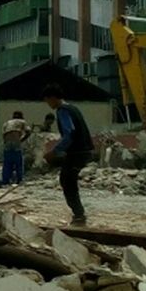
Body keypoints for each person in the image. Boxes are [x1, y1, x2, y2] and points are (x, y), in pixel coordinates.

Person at [43, 83, 95, 226]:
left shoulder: (63, 111)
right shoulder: (73, 108)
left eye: (47, 100)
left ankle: (79, 216)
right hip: (84, 150)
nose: (47, 104)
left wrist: (54, 151)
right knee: (68, 179)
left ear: (52, 98)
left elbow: (69, 134)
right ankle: (78, 214)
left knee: (67, 181)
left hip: (77, 151)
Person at [1, 110, 30, 185]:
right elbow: (28, 131)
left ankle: (5, 180)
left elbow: (3, 135)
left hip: (7, 143)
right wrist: (22, 139)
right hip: (16, 142)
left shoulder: (7, 122)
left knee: (7, 163)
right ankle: (19, 180)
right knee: (18, 162)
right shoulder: (22, 121)